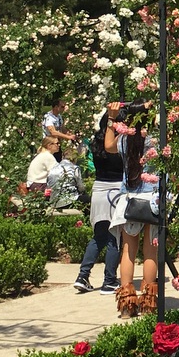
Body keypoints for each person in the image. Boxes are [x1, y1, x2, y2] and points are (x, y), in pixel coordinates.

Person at [108, 108, 159, 317]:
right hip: (152, 199)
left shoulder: (124, 140)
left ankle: (128, 304)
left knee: (128, 251)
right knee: (150, 252)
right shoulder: (157, 139)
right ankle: (148, 301)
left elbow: (108, 146)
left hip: (129, 199)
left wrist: (112, 118)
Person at [74, 106, 124, 295]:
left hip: (99, 189)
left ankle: (82, 275)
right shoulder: (118, 142)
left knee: (98, 236)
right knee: (114, 237)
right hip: (116, 190)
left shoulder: (96, 142)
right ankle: (109, 280)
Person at [42, 95, 76, 161]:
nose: (64, 108)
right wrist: (67, 137)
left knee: (58, 161)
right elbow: (53, 132)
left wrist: (69, 134)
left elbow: (62, 128)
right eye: (62, 107)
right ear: (56, 107)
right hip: (49, 144)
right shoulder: (48, 117)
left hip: (56, 143)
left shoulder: (59, 116)